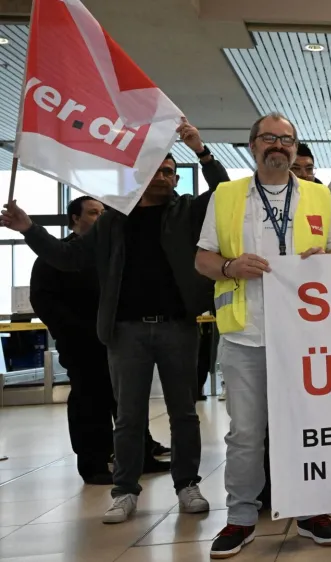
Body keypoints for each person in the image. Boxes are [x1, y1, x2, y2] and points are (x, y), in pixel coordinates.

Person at [2, 119, 221, 524]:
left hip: (178, 326)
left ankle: (187, 484)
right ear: (141, 175)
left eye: (170, 172)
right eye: (157, 169)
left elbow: (222, 192)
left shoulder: (187, 212)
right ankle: (125, 492)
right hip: (127, 331)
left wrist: (201, 151)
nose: (164, 176)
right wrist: (29, 229)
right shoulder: (113, 221)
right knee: (129, 415)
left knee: (184, 413)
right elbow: (69, 258)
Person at [196, 112, 331, 558]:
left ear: (295, 146)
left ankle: (311, 511)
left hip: (306, 337)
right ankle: (242, 519)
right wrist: (229, 267)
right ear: (253, 146)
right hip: (246, 336)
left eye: (287, 139)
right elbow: (202, 259)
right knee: (246, 433)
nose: (278, 145)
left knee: (309, 427)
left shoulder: (319, 196)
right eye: (270, 138)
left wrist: (327, 259)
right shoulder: (226, 196)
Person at [30, 197, 175, 484]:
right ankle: (94, 463)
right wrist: (78, 332)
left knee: (128, 400)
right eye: (94, 213)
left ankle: (141, 457)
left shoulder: (111, 252)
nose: (101, 218)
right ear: (74, 219)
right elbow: (45, 303)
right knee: (90, 401)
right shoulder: (56, 257)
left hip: (118, 338)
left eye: (104, 212)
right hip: (82, 344)